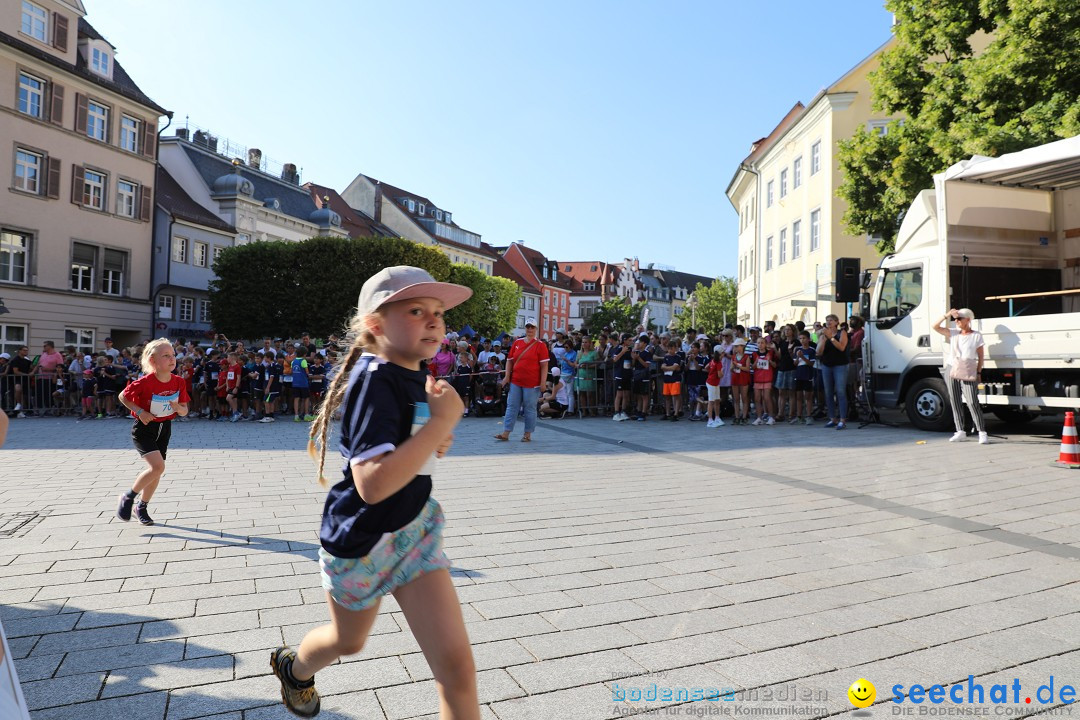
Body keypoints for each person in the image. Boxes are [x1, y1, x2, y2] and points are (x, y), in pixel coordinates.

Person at [276, 266, 478, 718]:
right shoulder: (374, 379)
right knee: (349, 641)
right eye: (415, 310)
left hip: (414, 531)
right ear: (375, 323)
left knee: (457, 670)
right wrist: (442, 424)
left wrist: (434, 436)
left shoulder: (415, 375)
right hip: (362, 541)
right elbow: (372, 486)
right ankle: (295, 668)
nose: (433, 321)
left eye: (438, 312)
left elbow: (410, 451)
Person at [116, 339, 190, 526]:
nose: (172, 359)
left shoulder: (179, 382)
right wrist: (141, 412)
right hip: (144, 429)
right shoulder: (145, 382)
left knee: (156, 471)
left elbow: (185, 410)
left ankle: (141, 507)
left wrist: (177, 408)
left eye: (173, 355)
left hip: (164, 428)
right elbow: (123, 396)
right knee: (158, 468)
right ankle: (128, 496)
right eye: (166, 356)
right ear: (153, 361)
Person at [934, 308, 988, 444]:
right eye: (955, 319)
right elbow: (935, 326)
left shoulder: (976, 335)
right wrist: (947, 314)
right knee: (955, 400)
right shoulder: (953, 333)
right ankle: (960, 431)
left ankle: (982, 432)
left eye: (960, 318)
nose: (956, 321)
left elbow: (981, 356)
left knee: (972, 401)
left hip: (968, 369)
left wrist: (979, 372)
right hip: (952, 369)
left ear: (968, 320)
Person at [495, 321, 548, 442]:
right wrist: (507, 376)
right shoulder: (517, 342)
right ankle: (506, 432)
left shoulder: (540, 345)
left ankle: (527, 434)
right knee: (512, 406)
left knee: (529, 408)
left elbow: (544, 365)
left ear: (536, 329)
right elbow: (509, 360)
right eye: (528, 326)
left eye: (532, 327)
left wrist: (543, 382)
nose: (530, 329)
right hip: (516, 381)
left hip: (532, 383)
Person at [816, 314, 850, 429]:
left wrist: (831, 337)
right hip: (826, 365)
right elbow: (819, 352)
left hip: (840, 365)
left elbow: (841, 347)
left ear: (836, 322)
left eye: (831, 320)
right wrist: (824, 339)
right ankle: (832, 418)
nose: (828, 322)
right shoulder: (823, 336)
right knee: (828, 392)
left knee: (840, 391)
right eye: (827, 320)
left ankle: (842, 420)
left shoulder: (842, 333)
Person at [792, 331, 817, 425]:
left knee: (808, 396)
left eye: (804, 338)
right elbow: (795, 363)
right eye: (800, 338)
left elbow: (811, 363)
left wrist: (803, 357)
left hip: (808, 375)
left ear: (808, 339)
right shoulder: (797, 349)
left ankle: (809, 416)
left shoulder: (811, 350)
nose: (802, 340)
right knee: (798, 396)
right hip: (798, 375)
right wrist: (798, 357)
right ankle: (799, 416)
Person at [730, 339, 752, 425]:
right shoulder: (733, 357)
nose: (735, 348)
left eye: (737, 346)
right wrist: (733, 367)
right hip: (735, 378)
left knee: (744, 398)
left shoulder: (746, 357)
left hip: (743, 378)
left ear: (742, 346)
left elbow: (747, 368)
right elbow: (731, 369)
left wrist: (738, 365)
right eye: (735, 346)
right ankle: (737, 417)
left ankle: (744, 417)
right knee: (736, 399)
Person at [660, 341, 683, 421]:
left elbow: (675, 367)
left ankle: (676, 414)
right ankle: (667, 413)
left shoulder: (677, 357)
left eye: (671, 349)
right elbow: (662, 367)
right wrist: (670, 367)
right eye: (668, 349)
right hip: (667, 379)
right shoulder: (666, 357)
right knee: (667, 397)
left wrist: (667, 367)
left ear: (675, 348)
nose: (670, 350)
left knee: (675, 396)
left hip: (675, 379)